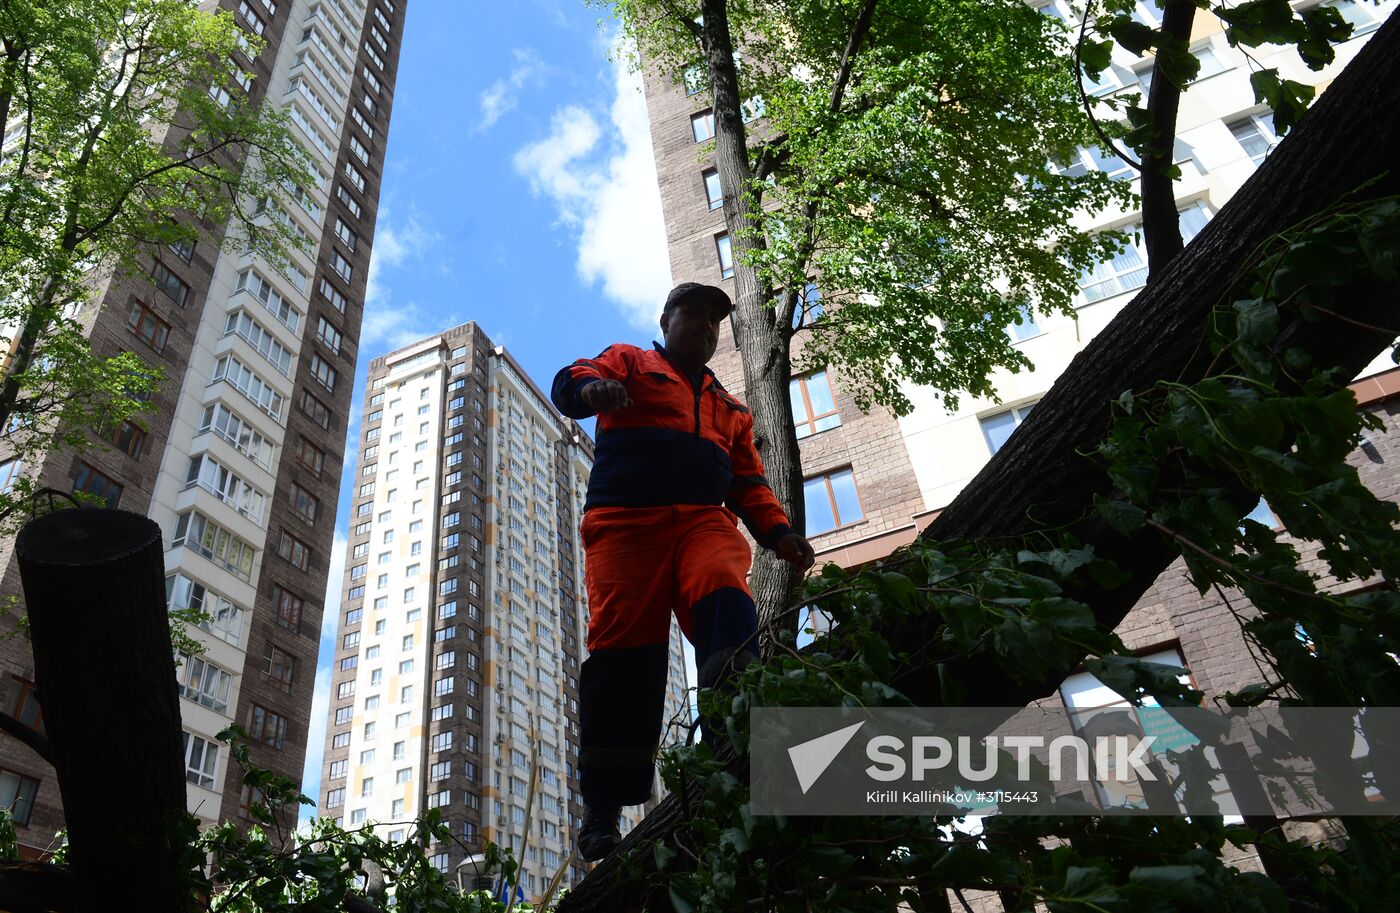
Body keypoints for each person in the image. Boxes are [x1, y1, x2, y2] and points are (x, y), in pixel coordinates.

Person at [551, 282, 816, 861]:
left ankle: (728, 740)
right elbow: (572, 378)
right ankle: (603, 811)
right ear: (666, 319)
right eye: (691, 315)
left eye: (712, 322)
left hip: (701, 522)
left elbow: (747, 482)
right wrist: (593, 390)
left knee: (727, 594)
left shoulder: (731, 408)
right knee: (623, 660)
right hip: (627, 526)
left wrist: (779, 532)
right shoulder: (632, 361)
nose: (703, 326)